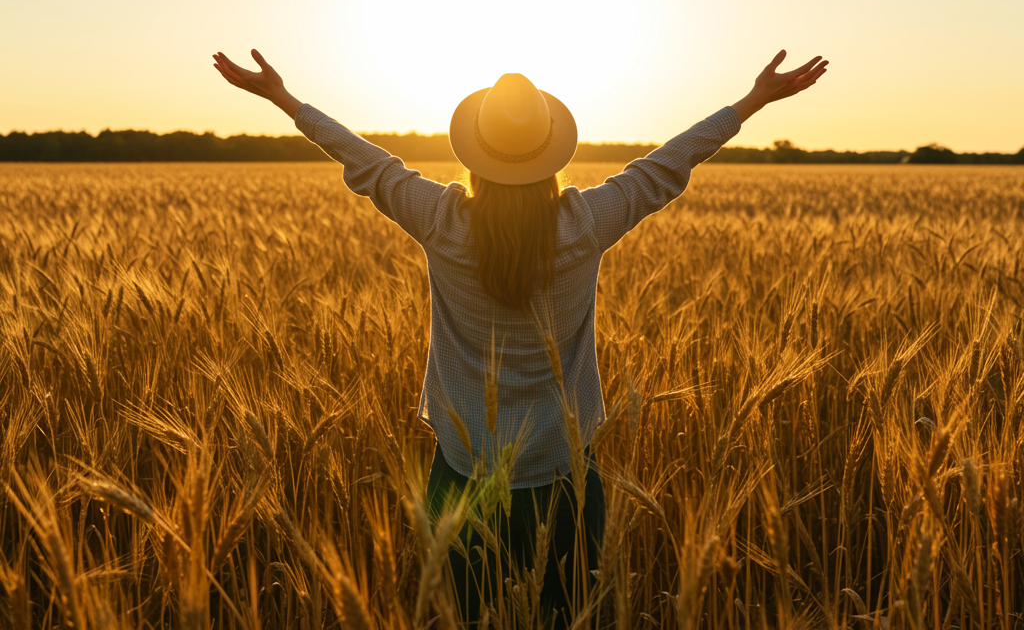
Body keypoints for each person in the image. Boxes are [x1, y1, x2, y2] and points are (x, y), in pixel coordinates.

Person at [213, 48, 828, 626]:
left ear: (475, 156)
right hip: (565, 476)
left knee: (467, 614)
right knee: (568, 613)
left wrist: (283, 99)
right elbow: (666, 166)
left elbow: (368, 164)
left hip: (462, 475)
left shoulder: (441, 221)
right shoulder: (584, 225)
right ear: (550, 157)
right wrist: (752, 101)